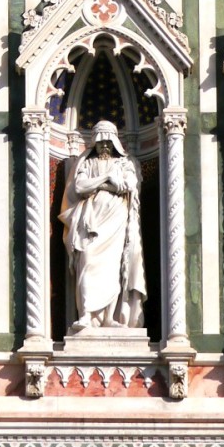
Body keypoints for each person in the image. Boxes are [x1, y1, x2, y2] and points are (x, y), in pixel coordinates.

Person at [60, 118, 146, 331]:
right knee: (87, 261)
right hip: (91, 222)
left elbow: (128, 185)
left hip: (116, 221)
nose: (104, 146)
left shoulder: (125, 163)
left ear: (115, 143)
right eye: (100, 142)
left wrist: (98, 185)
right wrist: (107, 178)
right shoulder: (87, 163)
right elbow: (80, 187)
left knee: (113, 268)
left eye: (108, 142)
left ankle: (109, 318)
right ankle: (86, 316)